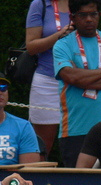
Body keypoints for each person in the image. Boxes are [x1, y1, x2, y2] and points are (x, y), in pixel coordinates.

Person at [52, 0, 101, 168]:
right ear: (72, 17)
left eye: (93, 14)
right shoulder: (62, 45)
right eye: (83, 15)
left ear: (99, 15)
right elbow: (72, 77)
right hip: (76, 130)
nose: (89, 19)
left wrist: (83, 77)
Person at [25, 0, 73, 158]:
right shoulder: (40, 4)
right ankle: (37, 181)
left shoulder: (82, 3)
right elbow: (31, 46)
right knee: (42, 146)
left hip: (77, 81)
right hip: (47, 81)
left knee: (79, 143)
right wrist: (59, 35)